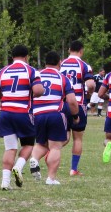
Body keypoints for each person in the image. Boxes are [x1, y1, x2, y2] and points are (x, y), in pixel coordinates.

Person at [0, 45, 44, 190]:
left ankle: (5, 182)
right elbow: (38, 90)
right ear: (26, 56)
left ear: (12, 57)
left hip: (5, 113)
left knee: (10, 148)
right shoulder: (31, 71)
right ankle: (18, 167)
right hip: (22, 112)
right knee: (28, 144)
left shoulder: (2, 71)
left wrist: (7, 95)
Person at [30, 51, 79, 185]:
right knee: (55, 147)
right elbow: (72, 101)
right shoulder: (62, 78)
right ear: (59, 63)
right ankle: (50, 178)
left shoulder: (36, 75)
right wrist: (75, 116)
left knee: (41, 143)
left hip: (37, 114)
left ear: (45, 63)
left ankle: (34, 158)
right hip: (55, 113)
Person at [59, 40, 95, 176]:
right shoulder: (84, 65)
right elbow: (90, 84)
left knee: (64, 137)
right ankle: (73, 169)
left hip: (62, 104)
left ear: (69, 50)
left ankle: (49, 151)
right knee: (77, 138)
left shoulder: (61, 64)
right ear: (81, 51)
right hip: (78, 103)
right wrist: (89, 92)